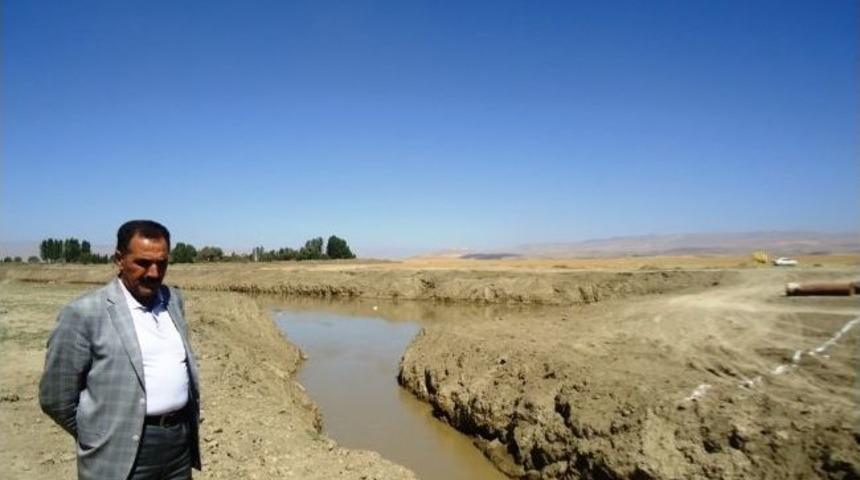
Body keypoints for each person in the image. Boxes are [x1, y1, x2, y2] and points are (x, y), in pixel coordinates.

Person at [39, 220, 201, 479]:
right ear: (119, 259)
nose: (153, 272)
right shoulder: (85, 313)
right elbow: (55, 398)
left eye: (162, 263)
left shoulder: (173, 301)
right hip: (122, 449)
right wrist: (100, 436)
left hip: (178, 445)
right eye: (143, 263)